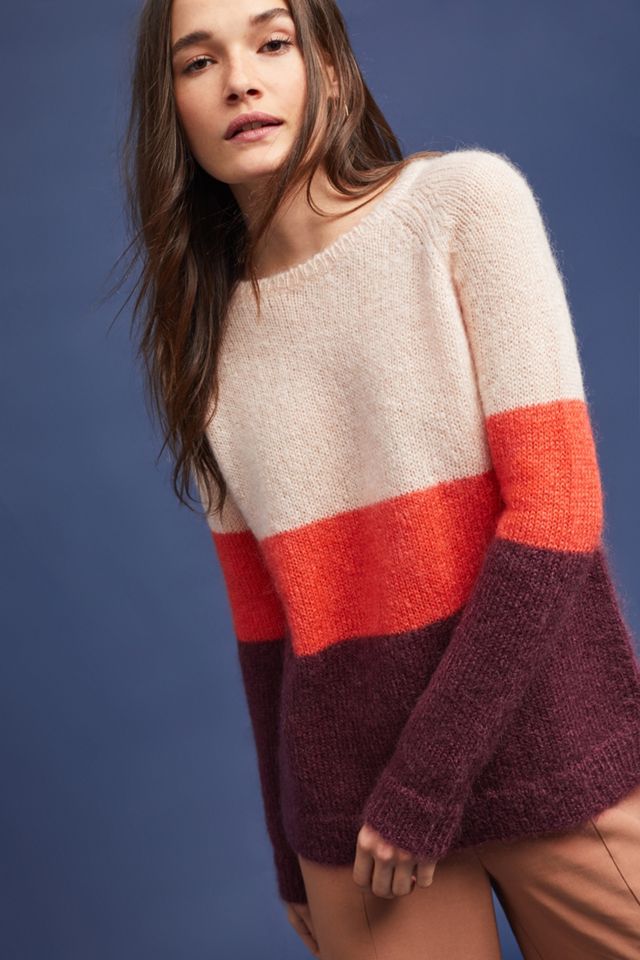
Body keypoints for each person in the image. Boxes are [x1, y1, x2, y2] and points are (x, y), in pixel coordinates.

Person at [117, 0, 640, 956]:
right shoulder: (204, 344)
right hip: (356, 827)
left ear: (331, 67)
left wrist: (425, 783)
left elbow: (558, 511)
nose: (240, 80)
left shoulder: (464, 205)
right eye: (198, 62)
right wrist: (289, 853)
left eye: (272, 42)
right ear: (173, 110)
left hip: (550, 753)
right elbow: (264, 625)